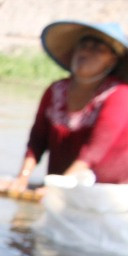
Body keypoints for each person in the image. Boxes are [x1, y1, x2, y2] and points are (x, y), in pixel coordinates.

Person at [10, 20, 128, 191]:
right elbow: (37, 140)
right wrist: (22, 178)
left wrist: (56, 188)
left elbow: (94, 152)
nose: (86, 52)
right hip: (59, 184)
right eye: (83, 46)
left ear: (111, 61)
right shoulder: (56, 90)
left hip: (106, 190)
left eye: (98, 49)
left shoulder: (120, 94)